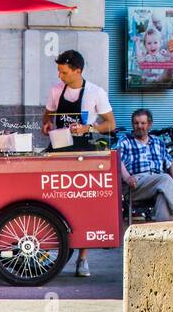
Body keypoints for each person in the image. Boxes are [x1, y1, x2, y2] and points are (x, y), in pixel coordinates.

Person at [41, 49, 116, 278]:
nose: (60, 76)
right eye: (59, 71)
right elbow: (48, 115)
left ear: (78, 71)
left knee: (81, 202)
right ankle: (47, 250)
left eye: (64, 72)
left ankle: (83, 259)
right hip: (59, 151)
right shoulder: (56, 90)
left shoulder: (96, 92)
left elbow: (110, 123)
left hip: (83, 153)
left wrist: (89, 128)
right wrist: (46, 125)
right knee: (51, 198)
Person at [117, 109, 173, 221]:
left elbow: (169, 161)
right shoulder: (125, 140)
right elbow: (118, 161)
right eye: (136, 123)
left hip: (158, 184)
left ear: (149, 124)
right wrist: (127, 177)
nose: (139, 126)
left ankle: (164, 234)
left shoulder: (157, 142)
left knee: (164, 196)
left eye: (143, 123)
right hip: (136, 184)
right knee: (165, 179)